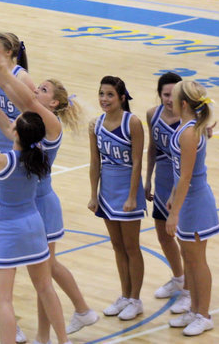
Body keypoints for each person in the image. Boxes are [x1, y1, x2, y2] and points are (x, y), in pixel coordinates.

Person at [0, 47, 98, 340]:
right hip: (27, 205)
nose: (37, 89)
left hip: (39, 205)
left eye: (44, 89)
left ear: (55, 101)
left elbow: (23, 96)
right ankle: (49, 333)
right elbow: (14, 103)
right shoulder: (32, 122)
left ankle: (77, 314)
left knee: (45, 275)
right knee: (44, 276)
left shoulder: (50, 123)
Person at [0, 103, 71, 344]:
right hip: (35, 227)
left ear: (17, 133)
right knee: (45, 288)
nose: (10, 122)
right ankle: (64, 340)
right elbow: (14, 128)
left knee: (3, 300)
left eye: (15, 121)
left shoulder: (3, 161)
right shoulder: (39, 156)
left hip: (9, 231)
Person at [88, 76, 146, 321]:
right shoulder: (95, 124)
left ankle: (136, 299)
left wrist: (133, 196)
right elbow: (95, 163)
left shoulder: (132, 122)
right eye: (102, 94)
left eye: (110, 94)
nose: (104, 99)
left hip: (127, 192)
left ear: (122, 97)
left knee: (132, 247)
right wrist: (94, 194)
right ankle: (124, 295)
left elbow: (137, 163)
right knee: (117, 246)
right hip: (107, 193)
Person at [166, 81, 219, 336]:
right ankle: (195, 310)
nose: (170, 102)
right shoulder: (187, 128)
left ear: (184, 104)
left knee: (198, 261)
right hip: (187, 199)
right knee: (189, 258)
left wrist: (174, 214)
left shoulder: (189, 132)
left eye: (174, 98)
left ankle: (204, 314)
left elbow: (186, 176)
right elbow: (180, 174)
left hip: (196, 203)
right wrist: (173, 196)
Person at [145, 72, 190, 314]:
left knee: (184, 240)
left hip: (181, 182)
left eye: (174, 95)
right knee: (163, 235)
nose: (169, 99)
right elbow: (152, 148)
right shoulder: (153, 114)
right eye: (165, 95)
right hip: (161, 179)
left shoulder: (189, 121)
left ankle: (189, 291)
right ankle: (179, 277)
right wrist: (147, 179)